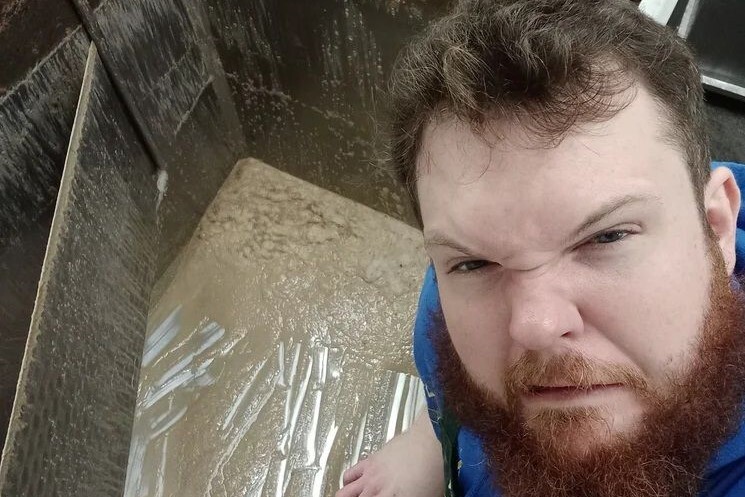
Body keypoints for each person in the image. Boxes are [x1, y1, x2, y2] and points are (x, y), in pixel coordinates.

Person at [337, 0, 745, 496]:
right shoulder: (449, 307)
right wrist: (434, 436)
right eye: (474, 261)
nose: (535, 326)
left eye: (606, 236)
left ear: (716, 227)